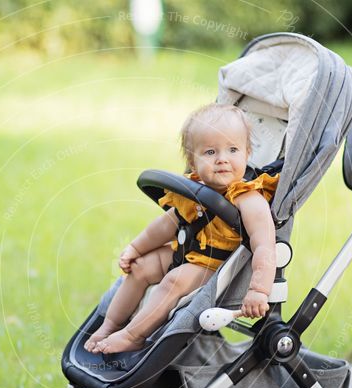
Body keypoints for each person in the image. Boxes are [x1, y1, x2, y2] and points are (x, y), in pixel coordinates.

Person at [85, 103, 278, 354]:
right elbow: (165, 225)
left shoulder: (249, 198)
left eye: (232, 149)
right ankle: (110, 324)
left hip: (215, 267)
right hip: (186, 251)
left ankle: (133, 335)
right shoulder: (192, 191)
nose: (222, 159)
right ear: (192, 160)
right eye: (210, 152)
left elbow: (265, 245)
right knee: (141, 266)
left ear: (247, 152)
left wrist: (259, 291)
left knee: (174, 280)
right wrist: (135, 247)